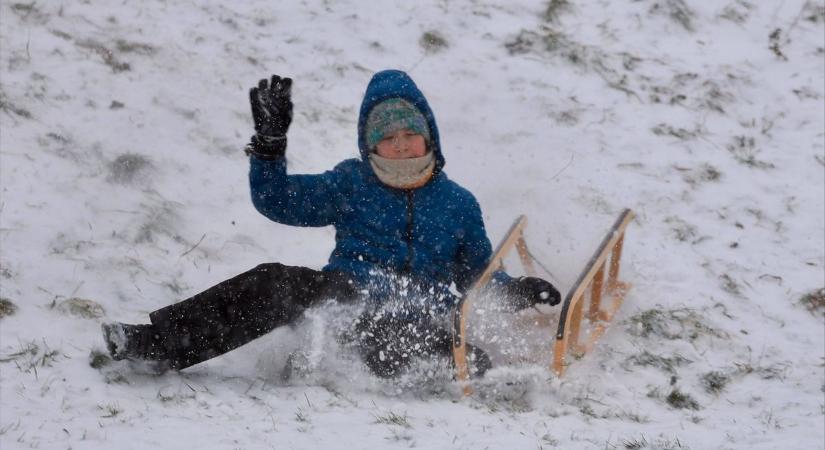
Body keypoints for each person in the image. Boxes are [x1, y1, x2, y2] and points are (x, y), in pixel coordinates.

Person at [102, 69, 561, 378]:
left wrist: (514, 291)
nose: (400, 146)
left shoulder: (458, 203)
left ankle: (344, 370)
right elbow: (277, 202)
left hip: (414, 318)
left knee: (471, 364)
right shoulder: (350, 182)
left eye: (409, 135)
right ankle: (157, 343)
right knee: (275, 282)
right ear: (370, 144)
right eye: (388, 138)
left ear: (428, 137)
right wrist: (269, 145)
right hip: (345, 297)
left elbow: (478, 272)